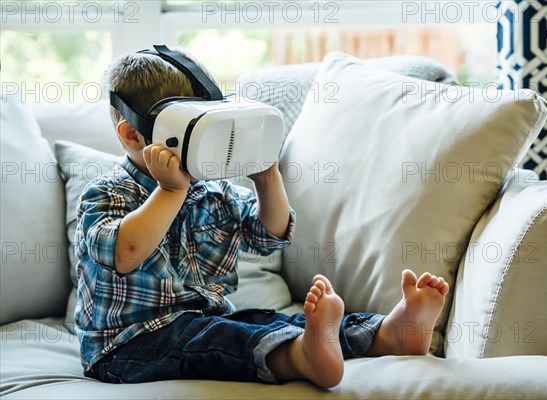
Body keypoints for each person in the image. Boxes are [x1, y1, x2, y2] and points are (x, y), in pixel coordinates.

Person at [74, 49, 450, 388]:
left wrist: (268, 180)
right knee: (217, 339)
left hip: (208, 319)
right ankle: (301, 358)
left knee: (268, 323)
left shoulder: (213, 189)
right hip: (127, 347)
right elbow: (126, 252)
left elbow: (268, 235)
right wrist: (170, 192)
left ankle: (387, 334)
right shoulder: (107, 194)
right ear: (133, 135)